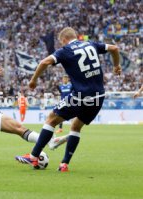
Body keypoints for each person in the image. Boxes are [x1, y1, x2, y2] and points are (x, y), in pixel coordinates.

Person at [15, 27, 121, 172]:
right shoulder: (91, 44)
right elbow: (114, 48)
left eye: (61, 42)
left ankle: (33, 155)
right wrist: (116, 66)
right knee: (76, 127)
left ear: (64, 39)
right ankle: (64, 164)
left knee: (51, 119)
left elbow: (44, 62)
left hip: (81, 96)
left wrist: (33, 80)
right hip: (99, 96)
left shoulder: (65, 50)